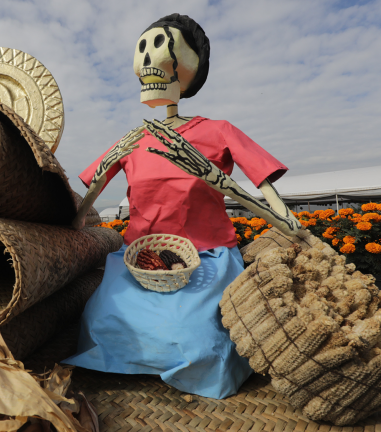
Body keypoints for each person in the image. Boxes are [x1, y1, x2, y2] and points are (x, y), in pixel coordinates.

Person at [65, 14, 301, 399]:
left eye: (161, 46)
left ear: (192, 65)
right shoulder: (133, 140)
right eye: (143, 48)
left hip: (206, 262)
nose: (148, 59)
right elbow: (86, 202)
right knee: (100, 321)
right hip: (136, 262)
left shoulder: (218, 130)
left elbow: (263, 185)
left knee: (197, 341)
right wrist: (105, 171)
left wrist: (287, 220)